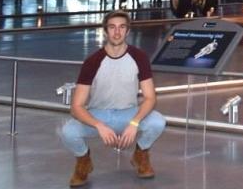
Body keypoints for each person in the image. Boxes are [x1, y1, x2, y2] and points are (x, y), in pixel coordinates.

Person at [59, 11, 165, 187]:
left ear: (128, 31)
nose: (117, 32)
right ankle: (83, 161)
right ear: (105, 31)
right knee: (68, 132)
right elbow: (76, 107)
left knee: (158, 122)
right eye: (112, 27)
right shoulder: (93, 62)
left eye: (122, 27)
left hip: (128, 113)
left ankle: (141, 154)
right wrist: (99, 125)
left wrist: (134, 123)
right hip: (99, 115)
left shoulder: (139, 57)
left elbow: (150, 98)